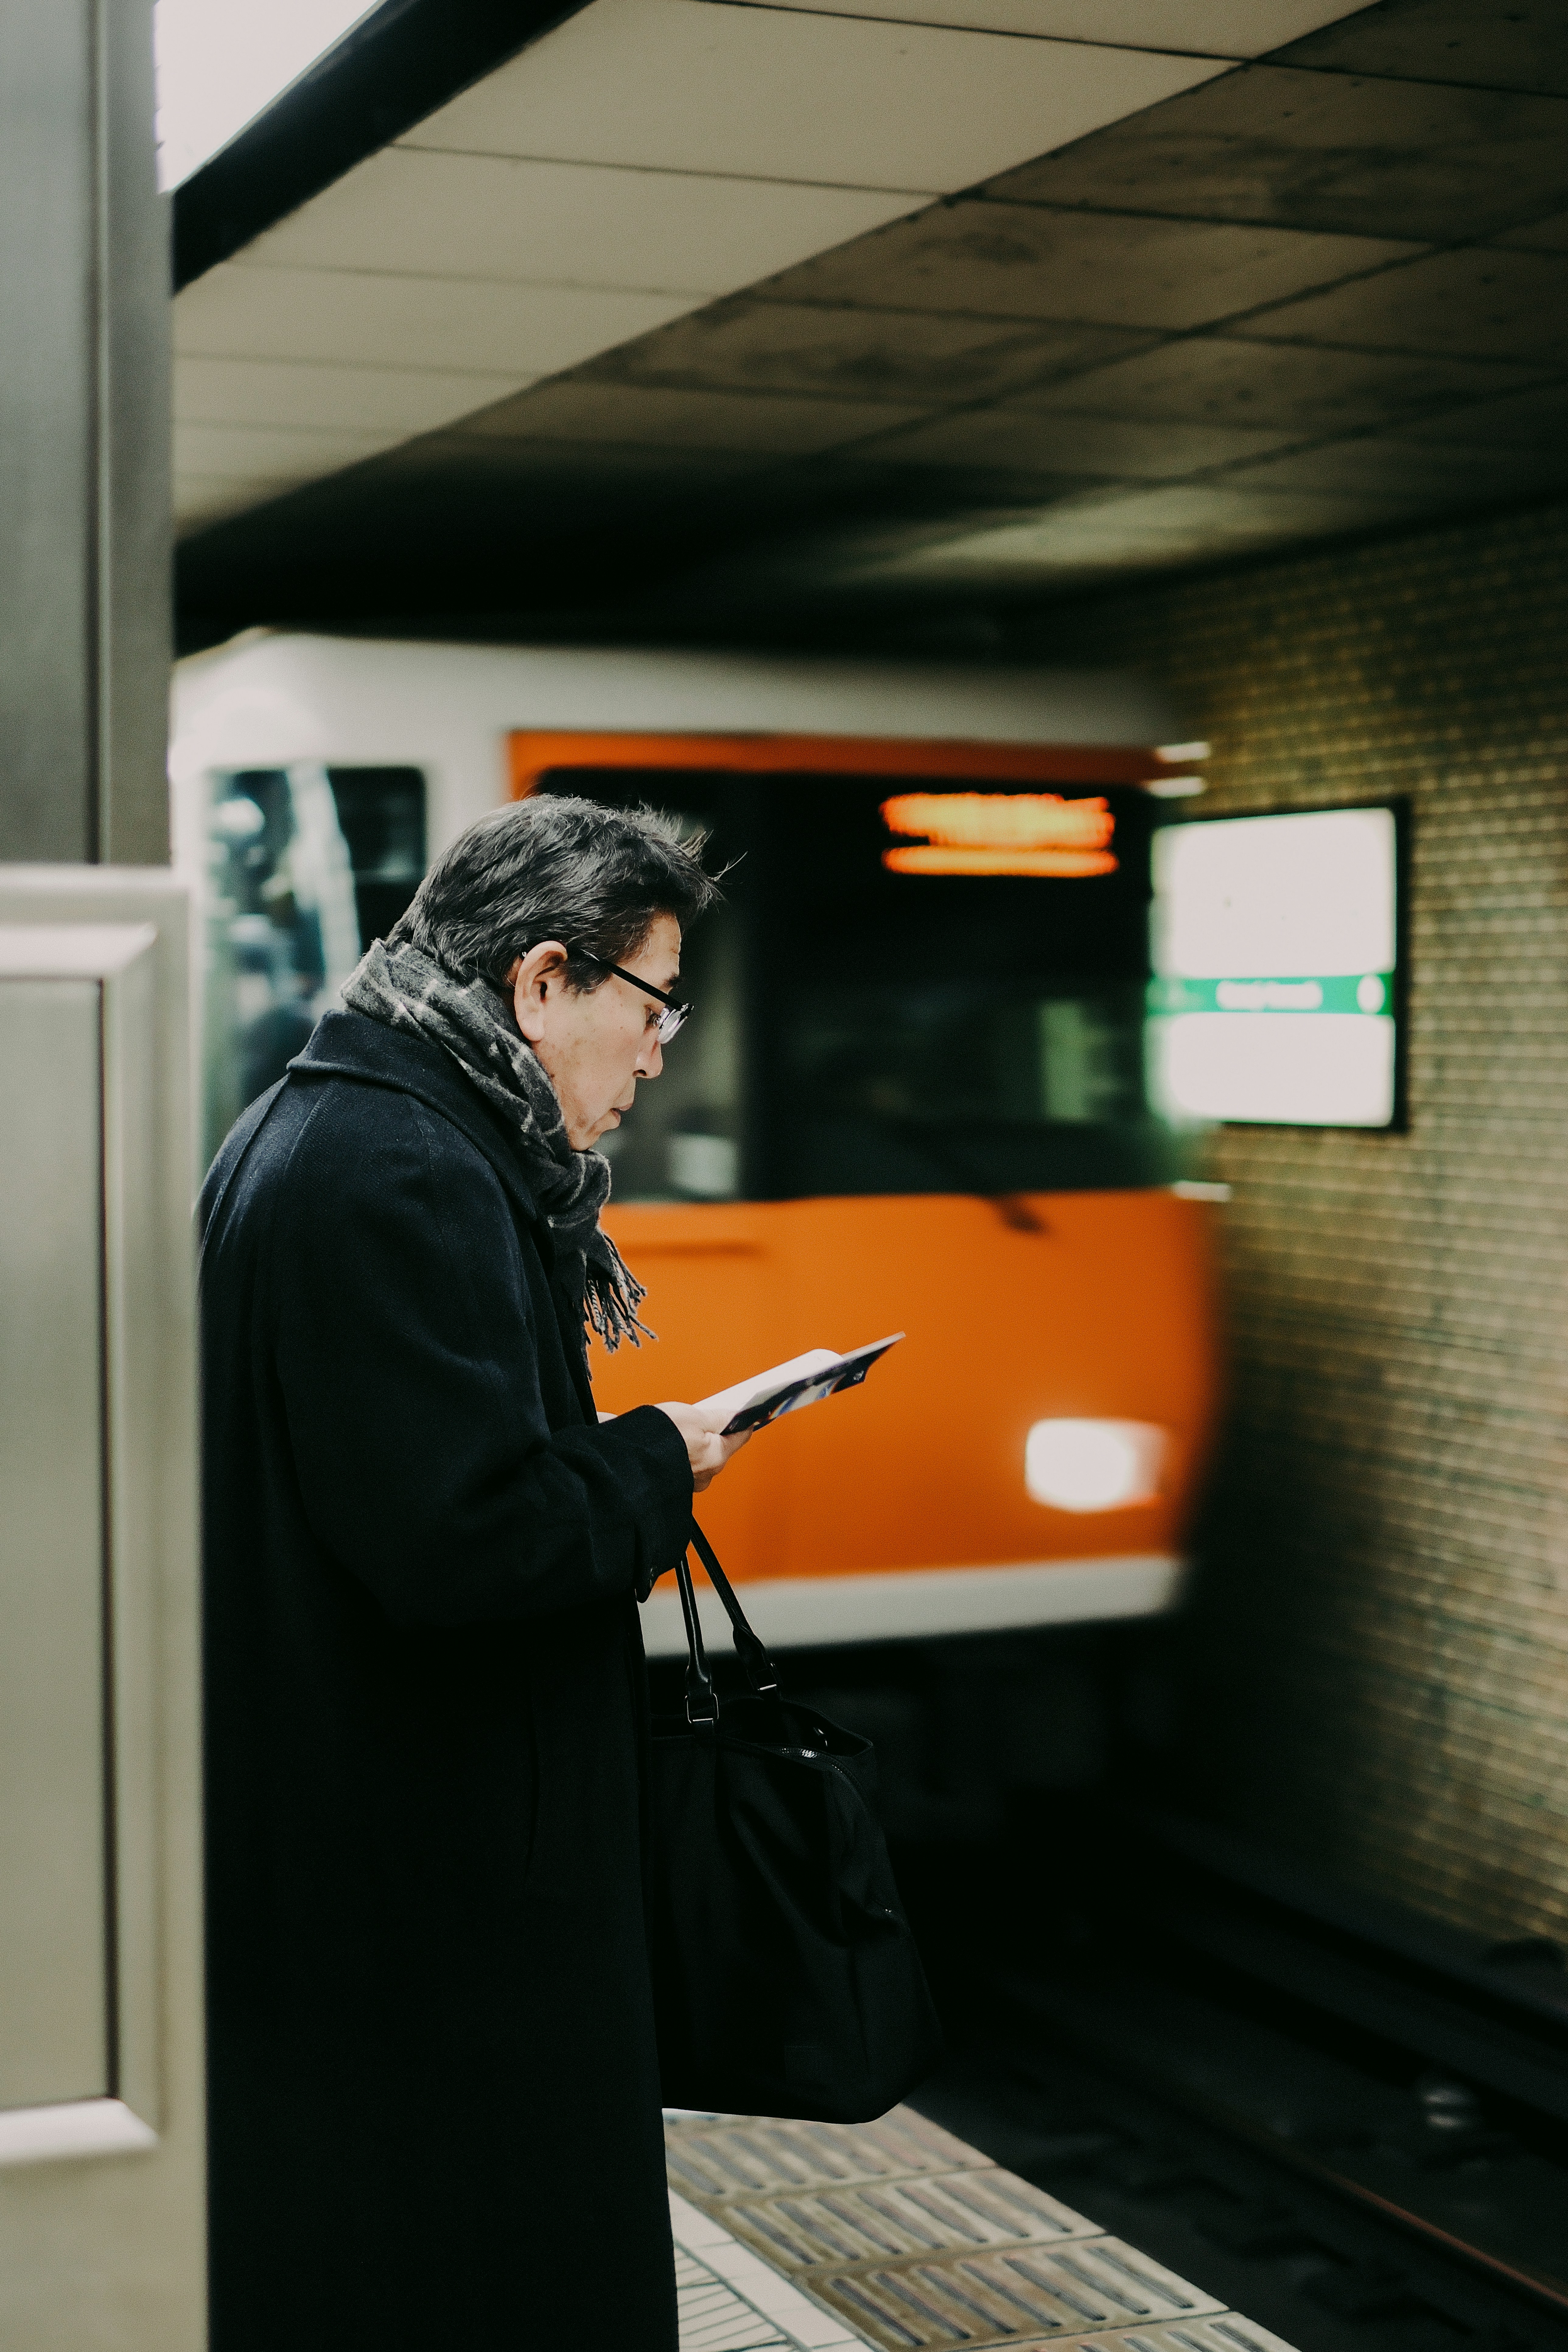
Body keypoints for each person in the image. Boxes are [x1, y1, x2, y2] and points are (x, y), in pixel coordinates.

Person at [198, 795, 748, 2350]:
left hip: (356, 1839)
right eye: (653, 1004)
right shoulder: (406, 1170)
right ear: (543, 981)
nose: (659, 1054)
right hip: (429, 1877)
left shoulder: (322, 1123)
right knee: (476, 2262)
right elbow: (466, 1543)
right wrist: (663, 1459)